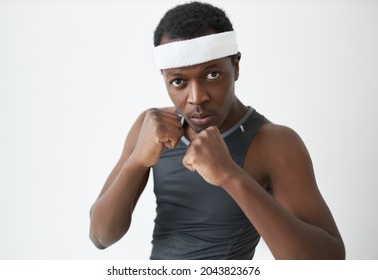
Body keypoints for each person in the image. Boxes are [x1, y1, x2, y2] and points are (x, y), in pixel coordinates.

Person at [89, 2, 345, 260]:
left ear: (235, 66)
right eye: (179, 82)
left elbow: (329, 263)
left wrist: (231, 176)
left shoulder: (274, 143)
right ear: (164, 78)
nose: (196, 98)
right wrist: (137, 161)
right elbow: (100, 236)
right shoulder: (151, 127)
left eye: (212, 75)